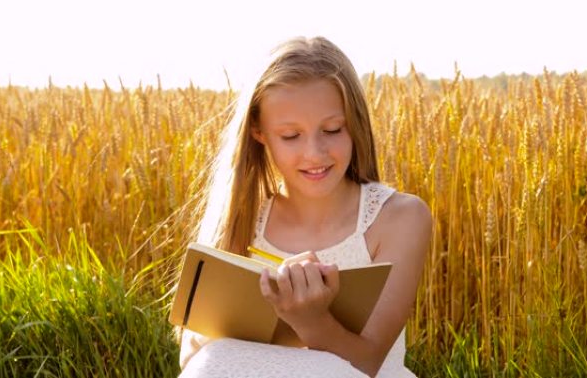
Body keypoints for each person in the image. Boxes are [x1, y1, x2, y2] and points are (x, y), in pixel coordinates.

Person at [177, 36, 432, 377]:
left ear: (355, 124)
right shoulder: (243, 220)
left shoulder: (399, 218)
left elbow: (370, 362)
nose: (314, 152)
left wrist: (311, 321)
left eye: (332, 129)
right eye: (291, 136)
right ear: (258, 132)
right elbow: (195, 358)